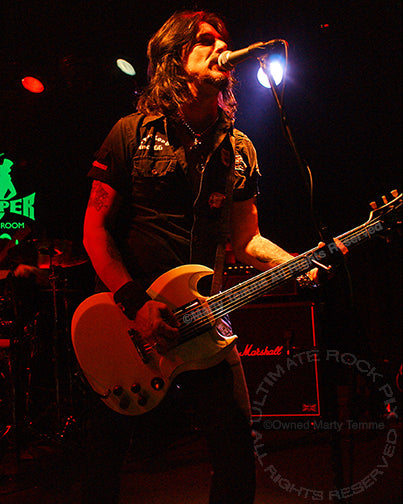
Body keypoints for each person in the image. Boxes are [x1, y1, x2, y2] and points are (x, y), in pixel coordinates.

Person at [80, 10, 318, 504]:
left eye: (222, 41)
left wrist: (300, 263)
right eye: (204, 41)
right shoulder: (129, 134)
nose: (219, 48)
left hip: (203, 322)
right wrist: (135, 303)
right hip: (130, 326)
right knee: (102, 462)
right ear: (174, 59)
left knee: (235, 457)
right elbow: (94, 231)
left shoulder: (239, 148)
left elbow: (247, 240)